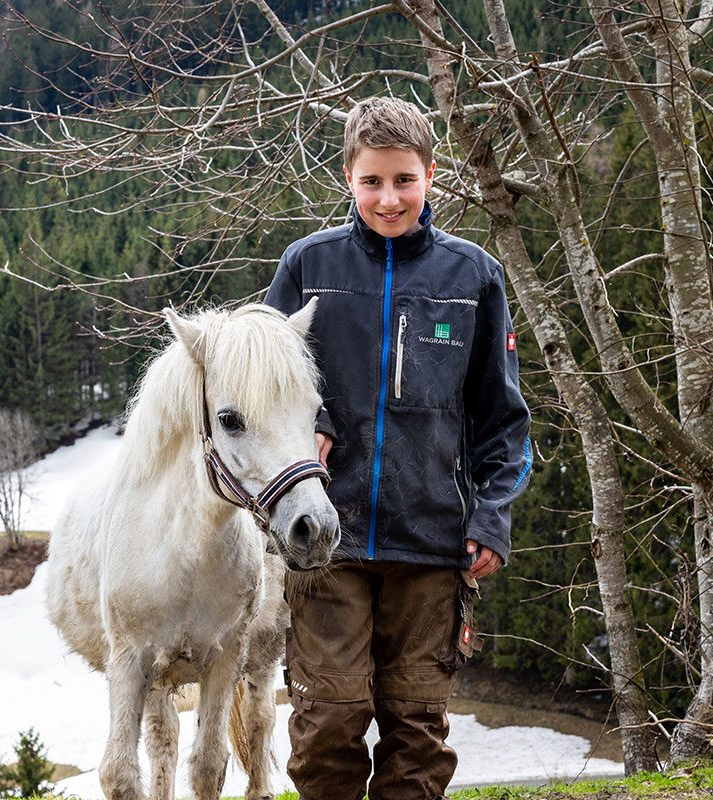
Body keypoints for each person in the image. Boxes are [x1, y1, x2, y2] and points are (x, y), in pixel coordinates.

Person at [263, 96, 533, 800]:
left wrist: (491, 515)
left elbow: (503, 419)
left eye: (404, 180)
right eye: (373, 181)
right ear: (348, 178)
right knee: (329, 723)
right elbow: (259, 384)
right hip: (326, 539)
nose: (389, 198)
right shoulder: (306, 265)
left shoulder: (472, 278)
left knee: (417, 734)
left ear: (431, 176)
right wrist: (315, 415)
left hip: (433, 543)